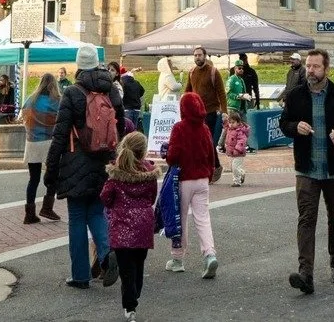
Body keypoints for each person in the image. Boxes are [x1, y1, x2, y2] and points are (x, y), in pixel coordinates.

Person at [280, 48, 334, 295]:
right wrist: (296, 126)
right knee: (306, 218)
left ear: (326, 69)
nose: (311, 70)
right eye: (308, 66)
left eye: (316, 66)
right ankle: (305, 272)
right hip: (307, 168)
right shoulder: (295, 96)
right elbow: (283, 123)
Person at [44, 42, 125, 289]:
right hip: (104, 161)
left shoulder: (73, 93)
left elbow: (60, 134)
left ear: (79, 64)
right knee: (97, 211)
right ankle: (107, 251)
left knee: (77, 217)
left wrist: (51, 166)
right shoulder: (111, 90)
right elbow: (121, 125)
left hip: (75, 160)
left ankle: (80, 275)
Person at [100, 131, 161, 322]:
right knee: (139, 263)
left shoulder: (116, 174)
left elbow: (105, 197)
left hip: (121, 227)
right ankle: (136, 294)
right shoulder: (149, 174)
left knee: (126, 269)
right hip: (143, 225)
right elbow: (151, 197)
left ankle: (130, 305)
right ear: (143, 151)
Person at [165, 91, 218, 278]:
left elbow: (173, 156)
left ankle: (178, 258)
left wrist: (167, 152)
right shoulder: (205, 128)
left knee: (180, 219)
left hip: (183, 179)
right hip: (203, 179)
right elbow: (211, 153)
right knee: (203, 219)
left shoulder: (179, 128)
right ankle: (209, 254)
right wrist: (210, 173)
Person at [20, 72, 61, 224]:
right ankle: (47, 207)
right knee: (53, 177)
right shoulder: (56, 101)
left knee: (33, 179)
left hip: (32, 143)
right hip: (49, 142)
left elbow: (23, 118)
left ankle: (29, 214)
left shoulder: (31, 100)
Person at [184, 46, 227, 182]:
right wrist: (184, 108)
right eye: (195, 55)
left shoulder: (213, 72)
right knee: (197, 142)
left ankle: (216, 166)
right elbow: (187, 92)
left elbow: (221, 93)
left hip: (210, 112)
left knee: (208, 142)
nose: (197, 57)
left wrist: (224, 111)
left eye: (200, 55)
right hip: (195, 114)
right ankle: (204, 169)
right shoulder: (192, 72)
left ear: (205, 56)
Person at [223, 109, 249, 187]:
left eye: (233, 122)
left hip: (239, 153)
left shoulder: (240, 131)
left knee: (234, 167)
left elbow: (242, 141)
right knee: (233, 167)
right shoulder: (230, 129)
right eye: (230, 122)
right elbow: (225, 128)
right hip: (233, 152)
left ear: (238, 122)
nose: (231, 124)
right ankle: (241, 173)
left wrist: (237, 149)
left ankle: (237, 181)